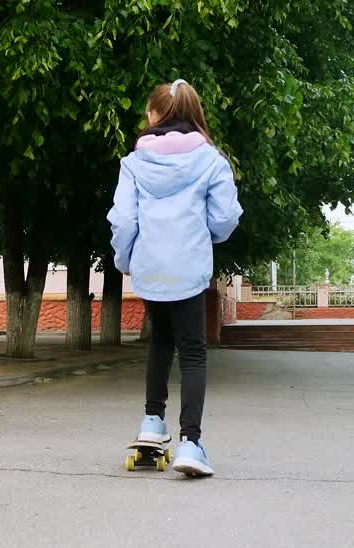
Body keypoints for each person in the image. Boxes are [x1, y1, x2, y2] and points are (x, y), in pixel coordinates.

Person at [107, 78, 243, 477]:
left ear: (155, 115)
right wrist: (210, 235)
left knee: (161, 342)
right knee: (193, 351)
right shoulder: (212, 161)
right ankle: (191, 442)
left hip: (150, 265)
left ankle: (152, 422)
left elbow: (122, 220)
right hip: (188, 266)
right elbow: (225, 218)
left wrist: (125, 259)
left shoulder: (133, 164)